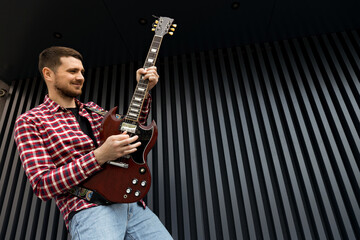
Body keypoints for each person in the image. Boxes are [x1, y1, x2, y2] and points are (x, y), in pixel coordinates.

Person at [14, 46, 172, 239]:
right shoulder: (31, 120)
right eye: (72, 71)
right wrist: (100, 156)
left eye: (82, 71)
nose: (80, 77)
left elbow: (130, 132)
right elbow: (42, 185)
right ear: (48, 74)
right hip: (89, 209)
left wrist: (144, 90)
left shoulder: (94, 110)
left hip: (132, 206)